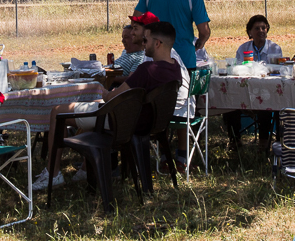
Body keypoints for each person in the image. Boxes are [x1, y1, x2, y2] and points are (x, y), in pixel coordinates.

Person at [34, 21, 186, 189]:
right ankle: (86, 169)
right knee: (92, 107)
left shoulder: (147, 69)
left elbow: (111, 97)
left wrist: (103, 91)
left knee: (57, 112)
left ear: (157, 43)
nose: (143, 45)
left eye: (146, 40)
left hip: (123, 122)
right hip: (148, 123)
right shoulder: (175, 68)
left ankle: (53, 173)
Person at [226, 15, 284, 151]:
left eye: (263, 28)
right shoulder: (243, 48)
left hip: (267, 91)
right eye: (257, 28)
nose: (261, 31)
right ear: (250, 32)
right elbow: (238, 70)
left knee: (265, 101)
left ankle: (264, 141)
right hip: (244, 90)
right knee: (229, 103)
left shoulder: (275, 48)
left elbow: (278, 70)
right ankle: (235, 140)